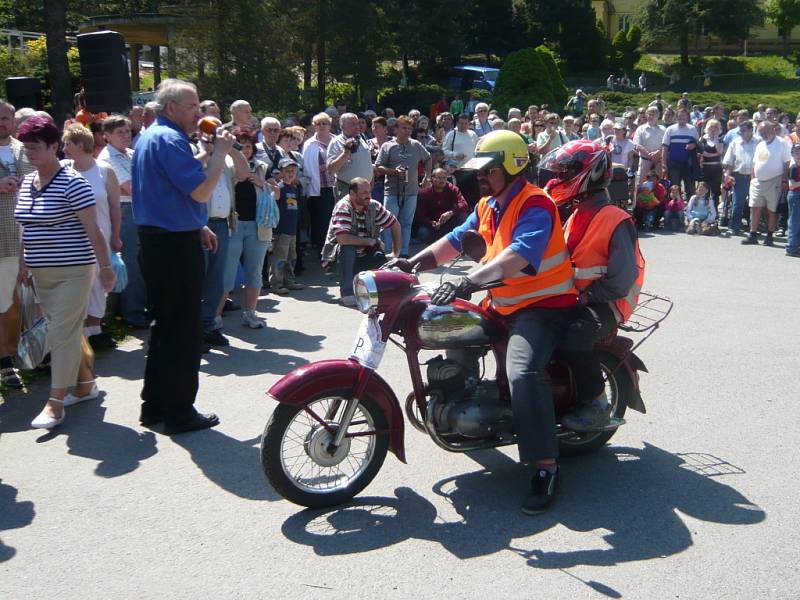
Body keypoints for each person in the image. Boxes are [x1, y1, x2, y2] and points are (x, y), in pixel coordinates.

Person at [389, 130, 579, 514]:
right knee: (449, 328)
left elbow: (519, 255)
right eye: (479, 170)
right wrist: (412, 262)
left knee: (523, 372)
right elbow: (457, 240)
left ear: (512, 166)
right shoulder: (489, 203)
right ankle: (466, 402)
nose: (480, 176)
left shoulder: (535, 204)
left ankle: (545, 466)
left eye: (488, 170)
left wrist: (467, 280)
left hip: (544, 306)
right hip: (503, 304)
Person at [132, 78, 237, 434]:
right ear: (172, 107)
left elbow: (172, 185)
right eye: (193, 106)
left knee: (165, 327)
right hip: (174, 248)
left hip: (160, 241)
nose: (199, 113)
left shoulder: (152, 135)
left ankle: (155, 406)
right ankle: (179, 412)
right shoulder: (171, 138)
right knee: (184, 330)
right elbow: (199, 191)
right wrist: (221, 153)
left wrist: (207, 151)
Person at [14, 116, 116, 429]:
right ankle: (85, 385)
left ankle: (55, 403)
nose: (30, 153)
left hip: (74, 269)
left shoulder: (73, 183)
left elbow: (94, 231)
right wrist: (22, 264)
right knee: (67, 330)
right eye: (26, 148)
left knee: (60, 331)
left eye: (36, 148)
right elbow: (24, 228)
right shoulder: (27, 184)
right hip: (40, 272)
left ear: (54, 147)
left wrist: (107, 268)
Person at [539, 139, 643, 433]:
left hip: (607, 303)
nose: (558, 179)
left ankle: (596, 404)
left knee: (574, 338)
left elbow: (622, 281)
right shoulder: (577, 214)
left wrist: (586, 296)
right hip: (577, 297)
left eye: (566, 173)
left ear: (589, 173)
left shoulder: (615, 219)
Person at [61, 124, 122, 350]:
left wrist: (116, 236)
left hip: (102, 236)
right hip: (71, 239)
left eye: (68, 143)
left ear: (80, 144)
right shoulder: (62, 169)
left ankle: (95, 331)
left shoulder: (105, 170)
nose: (64, 148)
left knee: (99, 284)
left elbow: (115, 207)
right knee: (79, 285)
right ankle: (79, 335)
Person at [196, 119, 250, 347]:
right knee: (198, 277)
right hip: (200, 223)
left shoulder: (227, 154)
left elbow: (245, 173)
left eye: (222, 130)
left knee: (216, 279)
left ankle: (208, 326)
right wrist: (209, 152)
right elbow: (189, 170)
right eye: (213, 129)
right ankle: (194, 330)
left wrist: (233, 149)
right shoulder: (192, 149)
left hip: (222, 224)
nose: (219, 133)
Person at [98, 116, 149, 328]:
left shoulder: (131, 153)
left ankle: (142, 309)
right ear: (106, 136)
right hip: (125, 212)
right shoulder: (107, 158)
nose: (126, 135)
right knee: (132, 264)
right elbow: (131, 188)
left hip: (140, 209)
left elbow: (147, 182)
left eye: (128, 131)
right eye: (120, 132)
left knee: (143, 261)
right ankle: (133, 314)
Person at [321, 177, 401, 306]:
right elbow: (342, 239)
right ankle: (347, 293)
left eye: (369, 192)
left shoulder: (374, 206)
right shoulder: (343, 207)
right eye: (364, 193)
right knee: (347, 248)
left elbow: (395, 224)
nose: (368, 196)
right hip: (337, 258)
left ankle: (380, 290)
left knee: (381, 258)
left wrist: (395, 253)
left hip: (365, 253)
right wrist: (369, 241)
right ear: (352, 194)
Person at [222, 129, 274, 329]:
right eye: (240, 145)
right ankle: (214, 319)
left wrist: (263, 184)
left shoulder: (261, 167)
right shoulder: (225, 166)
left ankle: (250, 314)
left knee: (254, 273)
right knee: (226, 274)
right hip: (232, 225)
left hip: (258, 225)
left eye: (248, 146)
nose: (245, 150)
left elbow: (277, 193)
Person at [0, 99, 34, 389]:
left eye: (5, 118)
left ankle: (11, 358)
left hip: (24, 238)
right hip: (1, 238)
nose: (1, 122)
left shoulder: (24, 148)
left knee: (12, 304)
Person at [375, 115, 432, 257]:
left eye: (409, 128)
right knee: (388, 223)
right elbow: (378, 167)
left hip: (411, 191)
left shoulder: (416, 145)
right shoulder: (388, 146)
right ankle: (389, 253)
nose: (407, 131)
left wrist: (427, 176)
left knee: (406, 223)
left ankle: (404, 253)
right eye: (404, 128)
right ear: (396, 129)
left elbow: (428, 158)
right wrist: (394, 172)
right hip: (392, 191)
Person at [742, 121, 790, 247]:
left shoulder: (782, 143)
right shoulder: (760, 144)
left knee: (772, 209)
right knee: (755, 207)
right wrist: (753, 179)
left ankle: (769, 236)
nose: (763, 134)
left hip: (775, 179)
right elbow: (755, 163)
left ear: (773, 129)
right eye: (761, 132)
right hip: (758, 181)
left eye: (765, 131)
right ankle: (753, 234)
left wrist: (784, 180)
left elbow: (786, 163)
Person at [270, 158, 305, 294]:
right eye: (287, 171)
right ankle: (276, 284)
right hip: (281, 230)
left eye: (293, 171)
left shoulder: (294, 188)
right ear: (281, 172)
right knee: (279, 258)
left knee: (292, 257)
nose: (291, 173)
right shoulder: (280, 188)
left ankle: (289, 280)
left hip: (292, 230)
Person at [302, 112, 336, 250]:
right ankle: (323, 251)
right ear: (314, 126)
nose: (321, 126)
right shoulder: (309, 144)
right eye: (318, 124)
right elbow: (307, 167)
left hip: (337, 186)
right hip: (320, 188)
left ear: (330, 125)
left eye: (324, 123)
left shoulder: (337, 141)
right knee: (323, 221)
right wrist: (323, 167)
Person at [414, 168, 469, 243]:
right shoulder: (425, 193)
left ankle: (454, 241)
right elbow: (420, 215)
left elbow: (464, 205)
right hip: (432, 226)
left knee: (463, 217)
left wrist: (450, 213)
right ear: (433, 178)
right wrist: (431, 223)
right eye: (439, 178)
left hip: (449, 222)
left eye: (444, 178)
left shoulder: (452, 189)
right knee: (423, 232)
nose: (442, 180)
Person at [326, 112, 373, 199]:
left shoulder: (362, 138)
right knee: (347, 212)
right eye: (353, 124)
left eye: (357, 123)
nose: (357, 127)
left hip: (365, 189)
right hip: (347, 188)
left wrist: (371, 181)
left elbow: (367, 163)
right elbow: (331, 170)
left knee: (366, 212)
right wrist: (345, 152)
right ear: (342, 127)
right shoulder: (336, 142)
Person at [722, 120, 757, 235]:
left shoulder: (759, 142)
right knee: (738, 203)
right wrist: (727, 175)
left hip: (756, 177)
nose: (741, 133)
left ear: (751, 130)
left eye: (744, 131)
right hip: (739, 176)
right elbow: (729, 160)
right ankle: (734, 227)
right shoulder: (735, 143)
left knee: (755, 204)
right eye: (740, 131)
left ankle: (754, 229)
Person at [661, 108, 698, 198]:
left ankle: (690, 208)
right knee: (675, 187)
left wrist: (694, 145)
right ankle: (676, 208)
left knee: (690, 188)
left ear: (688, 118)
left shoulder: (692, 129)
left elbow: (698, 145)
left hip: (688, 164)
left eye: (684, 116)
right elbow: (664, 147)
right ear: (676, 117)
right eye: (680, 116)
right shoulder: (670, 129)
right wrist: (663, 163)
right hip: (673, 163)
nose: (682, 118)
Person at [633, 106, 666, 198]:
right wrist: (648, 155)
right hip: (645, 161)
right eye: (649, 114)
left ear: (658, 117)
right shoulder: (640, 129)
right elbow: (637, 145)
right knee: (642, 184)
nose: (651, 116)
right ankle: (641, 207)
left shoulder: (663, 129)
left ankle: (658, 206)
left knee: (658, 186)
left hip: (658, 161)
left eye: (653, 115)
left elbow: (665, 145)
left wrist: (657, 153)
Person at [698, 119, 724, 208]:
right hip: (705, 168)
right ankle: (703, 210)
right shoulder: (702, 139)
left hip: (716, 169)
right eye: (711, 127)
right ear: (707, 128)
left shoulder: (720, 139)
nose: (713, 129)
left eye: (716, 127)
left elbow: (720, 151)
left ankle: (714, 212)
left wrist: (716, 139)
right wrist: (716, 154)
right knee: (704, 190)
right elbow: (703, 153)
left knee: (715, 192)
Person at [786, 143, 800, 257]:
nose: (799, 155)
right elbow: (792, 185)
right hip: (795, 195)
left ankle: (796, 245)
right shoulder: (794, 167)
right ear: (793, 154)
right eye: (797, 153)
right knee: (794, 221)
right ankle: (791, 247)